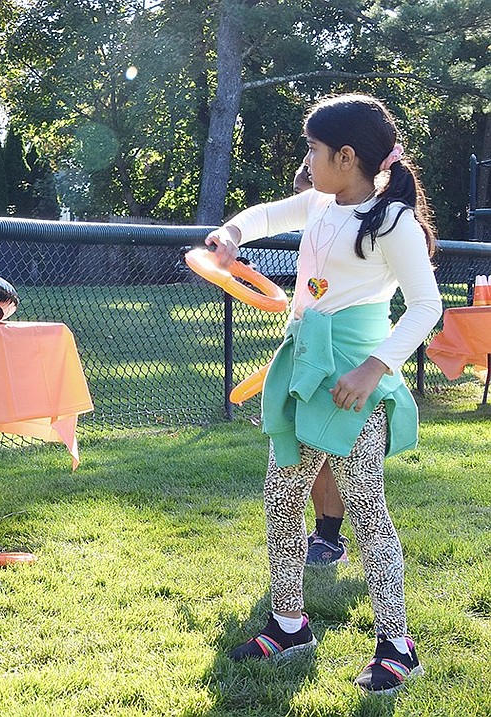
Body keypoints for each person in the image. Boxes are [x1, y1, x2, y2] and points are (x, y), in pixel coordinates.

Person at [207, 94, 442, 694]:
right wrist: (231, 233)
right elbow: (263, 216)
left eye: (313, 149)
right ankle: (289, 624)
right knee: (281, 495)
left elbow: (425, 307)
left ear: (346, 155)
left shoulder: (393, 224)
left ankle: (397, 645)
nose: (305, 160)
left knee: (366, 508)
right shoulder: (319, 201)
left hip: (351, 381)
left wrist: (373, 370)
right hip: (304, 368)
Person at [293, 162, 351, 567]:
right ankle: (321, 532)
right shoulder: (317, 212)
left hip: (345, 351)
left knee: (335, 454)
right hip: (309, 346)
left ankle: (330, 537)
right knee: (308, 446)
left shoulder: (372, 219)